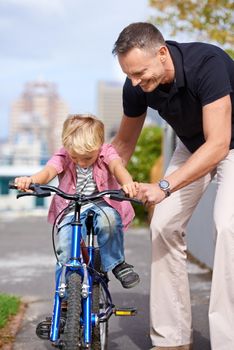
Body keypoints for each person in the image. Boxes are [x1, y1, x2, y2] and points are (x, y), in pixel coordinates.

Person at [112, 22, 234, 350]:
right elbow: (123, 145)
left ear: (162, 53)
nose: (136, 83)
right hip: (192, 145)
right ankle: (172, 339)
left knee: (227, 228)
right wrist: (98, 185)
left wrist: (163, 186)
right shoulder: (136, 85)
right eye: (129, 75)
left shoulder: (207, 65)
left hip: (228, 145)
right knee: (163, 225)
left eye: (140, 73)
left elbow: (219, 144)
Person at [14, 114, 140, 289]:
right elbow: (49, 171)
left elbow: (117, 167)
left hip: (101, 203)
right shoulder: (64, 155)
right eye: (75, 158)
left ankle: (117, 263)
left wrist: (127, 183)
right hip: (71, 207)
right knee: (65, 246)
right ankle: (65, 289)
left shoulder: (106, 151)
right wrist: (31, 180)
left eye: (87, 158)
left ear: (99, 145)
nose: (81, 163)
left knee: (109, 221)